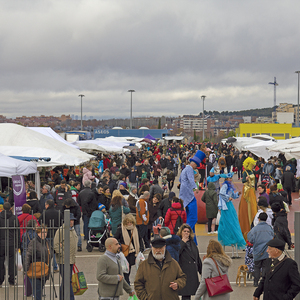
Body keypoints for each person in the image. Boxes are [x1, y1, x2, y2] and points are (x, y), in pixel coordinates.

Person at [179, 150, 206, 243]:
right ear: (194, 164)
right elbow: (191, 179)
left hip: (183, 194)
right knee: (193, 217)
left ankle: (193, 240)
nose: (196, 167)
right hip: (188, 194)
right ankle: (186, 232)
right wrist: (195, 187)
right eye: (196, 165)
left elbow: (180, 179)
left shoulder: (184, 169)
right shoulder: (190, 169)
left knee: (187, 215)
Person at [218, 172, 245, 257]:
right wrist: (227, 198)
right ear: (226, 179)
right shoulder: (225, 186)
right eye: (229, 178)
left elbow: (233, 195)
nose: (230, 180)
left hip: (230, 205)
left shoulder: (229, 186)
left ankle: (234, 238)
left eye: (231, 178)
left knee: (233, 221)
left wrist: (237, 194)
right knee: (229, 221)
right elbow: (221, 194)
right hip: (227, 205)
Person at [54, 213, 78, 300]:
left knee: (66, 281)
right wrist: (63, 254)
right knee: (67, 280)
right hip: (63, 260)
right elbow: (56, 244)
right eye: (70, 220)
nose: (71, 222)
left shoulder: (73, 230)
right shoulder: (61, 230)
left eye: (72, 220)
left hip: (71, 260)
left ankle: (62, 297)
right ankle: (71, 298)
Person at [25, 225, 51, 300]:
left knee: (40, 289)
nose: (44, 234)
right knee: (38, 290)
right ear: (38, 233)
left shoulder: (46, 242)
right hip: (35, 269)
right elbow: (28, 255)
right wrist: (26, 267)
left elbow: (50, 253)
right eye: (42, 232)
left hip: (44, 269)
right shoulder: (34, 242)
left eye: (45, 232)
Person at [247, 212, 274, 287]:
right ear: (266, 219)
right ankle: (264, 282)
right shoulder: (269, 228)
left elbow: (250, 238)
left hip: (257, 251)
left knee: (257, 267)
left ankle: (255, 282)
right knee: (266, 267)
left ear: (259, 219)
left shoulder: (255, 229)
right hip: (267, 251)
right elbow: (273, 237)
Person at [114, 213, 141, 285]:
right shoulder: (120, 229)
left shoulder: (135, 229)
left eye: (131, 222)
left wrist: (140, 249)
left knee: (129, 267)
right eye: (128, 222)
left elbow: (139, 239)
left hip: (133, 252)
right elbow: (115, 239)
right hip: (124, 252)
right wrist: (118, 246)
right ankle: (127, 281)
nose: (129, 224)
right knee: (126, 267)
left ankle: (126, 280)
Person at [178, 224, 202, 300]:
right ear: (181, 232)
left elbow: (197, 258)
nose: (186, 233)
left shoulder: (192, 243)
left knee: (195, 294)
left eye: (188, 232)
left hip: (192, 273)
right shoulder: (178, 242)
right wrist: (183, 242)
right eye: (184, 231)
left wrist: (202, 271)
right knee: (186, 295)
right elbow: (176, 254)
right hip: (184, 273)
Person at [0, 202, 20, 286]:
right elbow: (17, 232)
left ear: (3, 208)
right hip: (12, 243)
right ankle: (12, 280)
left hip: (1, 243)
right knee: (12, 262)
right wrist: (17, 244)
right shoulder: (14, 218)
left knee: (1, 261)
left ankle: (0, 280)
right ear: (10, 208)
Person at [238, 157, 258, 240]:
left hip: (252, 190)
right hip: (247, 190)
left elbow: (256, 174)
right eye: (252, 165)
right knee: (247, 207)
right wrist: (245, 179)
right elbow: (242, 181)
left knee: (253, 205)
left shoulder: (252, 171)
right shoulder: (245, 172)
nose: (253, 166)